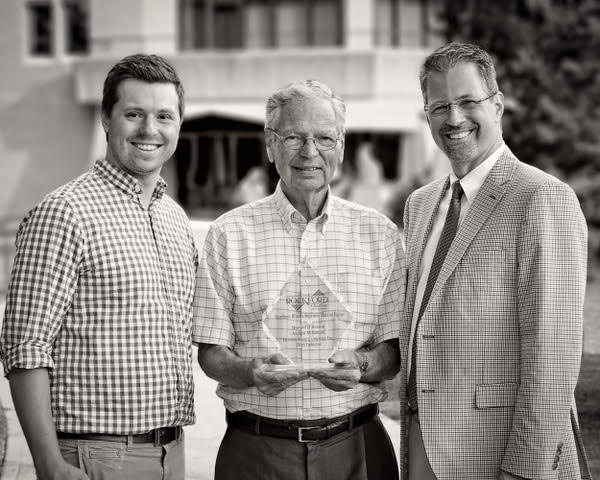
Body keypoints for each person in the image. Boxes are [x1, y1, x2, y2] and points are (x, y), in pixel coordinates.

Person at [193, 79, 405, 480]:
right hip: (257, 451)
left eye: (325, 138)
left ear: (341, 145)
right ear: (271, 144)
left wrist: (362, 364)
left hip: (357, 448)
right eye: (294, 137)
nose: (310, 152)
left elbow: (392, 353)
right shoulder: (228, 234)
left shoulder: (380, 235)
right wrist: (250, 371)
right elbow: (211, 354)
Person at [400, 42, 592, 480]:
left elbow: (553, 356)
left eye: (468, 102)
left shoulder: (541, 197)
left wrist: (525, 470)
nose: (454, 119)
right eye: (439, 106)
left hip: (499, 453)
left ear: (499, 105)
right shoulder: (421, 204)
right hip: (422, 448)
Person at [0, 54, 197, 480]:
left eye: (164, 115)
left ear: (179, 124)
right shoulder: (64, 212)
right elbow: (25, 347)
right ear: (107, 120)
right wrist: (49, 463)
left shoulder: (175, 220)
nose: (150, 129)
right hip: (93, 457)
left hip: (170, 451)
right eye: (133, 114)